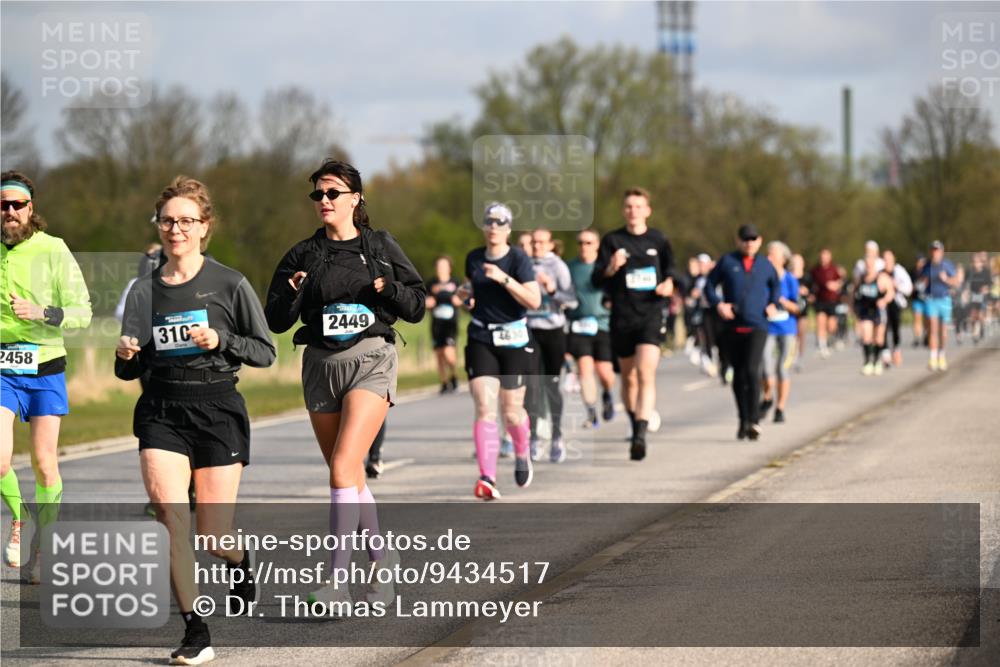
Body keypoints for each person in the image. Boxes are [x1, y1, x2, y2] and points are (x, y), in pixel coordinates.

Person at [115, 176, 276, 665]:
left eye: (186, 221)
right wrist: (126, 355)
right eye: (168, 221)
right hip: (162, 411)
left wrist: (221, 342)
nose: (176, 229)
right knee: (170, 521)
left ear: (204, 228)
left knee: (212, 536)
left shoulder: (230, 283)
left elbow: (266, 352)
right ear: (158, 227)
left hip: (217, 410)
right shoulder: (143, 292)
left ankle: (240, 561)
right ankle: (195, 630)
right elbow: (128, 368)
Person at [264, 159, 425, 608]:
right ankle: (381, 559)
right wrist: (293, 289)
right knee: (348, 473)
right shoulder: (302, 255)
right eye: (318, 194)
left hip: (370, 359)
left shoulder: (379, 245)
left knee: (341, 467)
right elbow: (275, 320)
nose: (324, 201)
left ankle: (336, 580)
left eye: (333, 193)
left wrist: (388, 288)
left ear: (356, 198)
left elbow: (416, 305)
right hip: (320, 365)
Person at [1, 171, 92, 578]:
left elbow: (83, 312)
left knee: (42, 462)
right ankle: (20, 520)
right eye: (3, 205)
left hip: (45, 365)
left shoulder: (53, 250)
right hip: (2, 367)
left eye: (17, 204)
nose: (10, 211)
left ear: (30, 209)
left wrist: (42, 313)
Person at [458, 203, 540, 499]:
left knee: (512, 413)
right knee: (483, 406)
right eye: (489, 221)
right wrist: (464, 295)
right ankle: (487, 477)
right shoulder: (474, 258)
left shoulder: (519, 259)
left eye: (500, 222)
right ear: (483, 226)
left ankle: (521, 450)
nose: (494, 226)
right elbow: (471, 292)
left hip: (515, 340)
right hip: (482, 337)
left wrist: (504, 279)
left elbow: (534, 301)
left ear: (508, 228)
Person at [592, 188, 675, 461]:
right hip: (622, 317)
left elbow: (672, 272)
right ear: (623, 210)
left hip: (650, 315)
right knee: (627, 378)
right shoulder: (612, 240)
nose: (633, 211)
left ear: (647, 210)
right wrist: (612, 267)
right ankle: (634, 421)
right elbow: (596, 281)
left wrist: (668, 284)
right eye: (628, 206)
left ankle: (640, 434)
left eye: (638, 206)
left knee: (645, 373)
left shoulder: (659, 239)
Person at [705, 224, 780, 441]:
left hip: (757, 325)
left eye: (753, 239)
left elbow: (775, 286)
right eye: (745, 239)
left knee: (751, 370)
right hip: (732, 326)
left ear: (759, 241)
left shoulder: (765, 265)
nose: (749, 243)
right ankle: (743, 419)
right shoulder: (728, 262)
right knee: (738, 374)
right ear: (738, 241)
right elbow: (709, 285)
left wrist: (773, 304)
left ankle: (754, 420)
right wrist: (719, 304)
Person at [525, 228, 577, 463]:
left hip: (554, 331)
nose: (537, 246)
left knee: (551, 386)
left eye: (541, 242)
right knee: (532, 387)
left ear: (550, 244)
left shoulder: (558, 267)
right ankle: (534, 438)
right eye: (534, 242)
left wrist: (551, 289)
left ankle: (557, 436)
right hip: (529, 330)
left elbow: (572, 301)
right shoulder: (522, 264)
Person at [567, 229, 616, 429]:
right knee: (585, 371)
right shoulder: (570, 267)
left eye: (588, 243)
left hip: (603, 324)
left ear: (597, 245)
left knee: (604, 373)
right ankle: (591, 412)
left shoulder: (605, 267)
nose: (584, 247)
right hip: (579, 324)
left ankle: (606, 394)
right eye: (580, 243)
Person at [759, 242, 800, 423]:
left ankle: (780, 408)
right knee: (765, 368)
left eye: (772, 255)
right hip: (767, 328)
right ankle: (767, 396)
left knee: (782, 369)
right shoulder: (762, 278)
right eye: (767, 255)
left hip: (787, 329)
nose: (768, 258)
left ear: (783, 259)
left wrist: (781, 301)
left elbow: (798, 307)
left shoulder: (790, 279)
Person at [918, 240, 961, 371]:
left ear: (941, 252)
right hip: (931, 300)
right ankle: (932, 357)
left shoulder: (947, 265)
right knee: (933, 326)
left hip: (944, 300)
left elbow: (956, 282)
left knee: (943, 331)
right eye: (933, 250)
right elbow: (921, 280)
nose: (934, 253)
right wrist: (922, 283)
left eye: (937, 250)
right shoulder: (926, 265)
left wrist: (946, 279)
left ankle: (941, 355)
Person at [853, 254, 895, 375]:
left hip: (878, 310)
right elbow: (854, 293)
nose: (869, 266)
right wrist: (853, 307)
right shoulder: (861, 278)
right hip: (865, 311)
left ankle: (877, 361)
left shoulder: (881, 278)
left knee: (878, 337)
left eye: (871, 263)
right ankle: (867, 362)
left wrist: (884, 300)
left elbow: (891, 292)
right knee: (866, 336)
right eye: (867, 263)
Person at [426, 256, 461, 394]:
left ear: (449, 268)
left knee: (449, 353)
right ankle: (444, 382)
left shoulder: (455, 282)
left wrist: (449, 298)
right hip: (436, 324)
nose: (441, 269)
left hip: (450, 323)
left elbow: (459, 300)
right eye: (439, 266)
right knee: (439, 353)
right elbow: (428, 302)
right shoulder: (431, 284)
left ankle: (454, 375)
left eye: (444, 266)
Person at [810, 249, 845, 357]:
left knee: (831, 326)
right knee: (820, 322)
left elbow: (841, 281)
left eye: (826, 256)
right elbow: (810, 283)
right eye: (822, 256)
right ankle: (822, 345)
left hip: (832, 300)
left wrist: (836, 285)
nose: (824, 258)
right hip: (820, 300)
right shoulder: (815, 270)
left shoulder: (834, 269)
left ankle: (830, 339)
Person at [881, 250, 912, 367]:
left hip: (896, 303)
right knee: (883, 327)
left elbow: (909, 288)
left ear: (894, 259)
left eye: (889, 259)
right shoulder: (880, 273)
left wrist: (896, 285)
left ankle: (896, 350)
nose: (887, 261)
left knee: (895, 328)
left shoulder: (899, 271)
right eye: (885, 259)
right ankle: (885, 354)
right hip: (884, 304)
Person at [790, 253, 810, 373]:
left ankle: (800, 357)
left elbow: (813, 291)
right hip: (791, 309)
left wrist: (807, 292)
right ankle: (792, 355)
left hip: (803, 309)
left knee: (801, 333)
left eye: (799, 261)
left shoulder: (807, 277)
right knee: (792, 334)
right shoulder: (788, 276)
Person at [966, 252, 992, 344]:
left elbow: (990, 284)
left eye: (978, 262)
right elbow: (966, 283)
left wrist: (986, 288)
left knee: (980, 316)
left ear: (981, 262)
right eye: (974, 262)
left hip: (982, 296)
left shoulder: (986, 272)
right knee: (973, 316)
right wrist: (966, 291)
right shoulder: (970, 272)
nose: (976, 264)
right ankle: (974, 334)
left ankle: (981, 328)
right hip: (973, 295)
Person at [911, 255, 928, 348]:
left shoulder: (928, 272)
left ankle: (926, 336)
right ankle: (917, 338)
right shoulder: (913, 273)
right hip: (916, 299)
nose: (920, 264)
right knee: (917, 319)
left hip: (926, 299)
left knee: (926, 320)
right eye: (919, 261)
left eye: (922, 262)